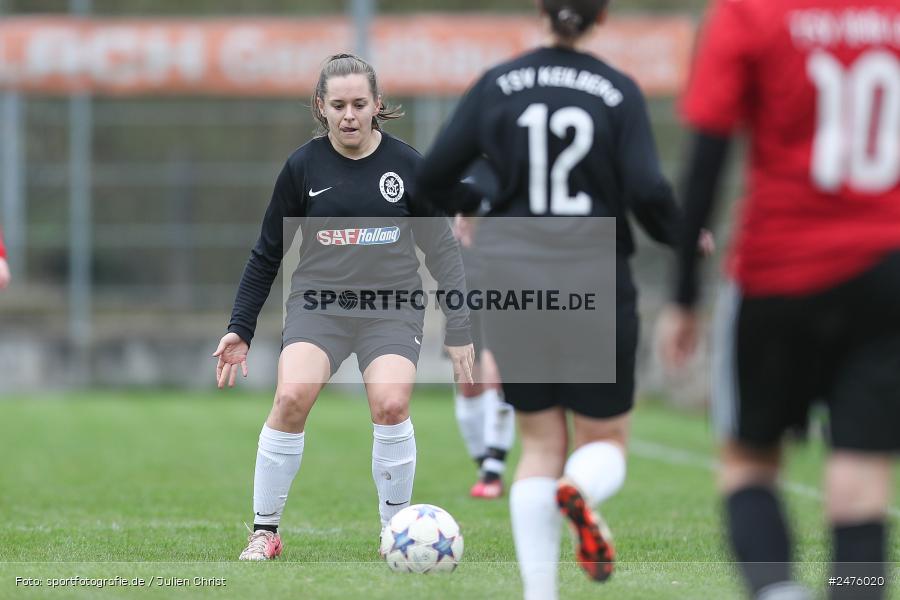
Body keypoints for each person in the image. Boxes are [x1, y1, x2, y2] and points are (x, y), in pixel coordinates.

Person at [417, 1, 693, 597]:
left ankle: (540, 594)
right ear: (603, 16)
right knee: (605, 438)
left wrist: (478, 203)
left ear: (540, 9)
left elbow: (431, 177)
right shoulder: (617, 91)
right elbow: (647, 188)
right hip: (593, 270)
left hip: (513, 274)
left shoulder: (497, 84)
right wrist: (684, 233)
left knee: (540, 442)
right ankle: (581, 489)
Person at [657, 0, 900, 598]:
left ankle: (775, 590)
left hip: (780, 269)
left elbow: (707, 159)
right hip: (886, 270)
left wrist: (684, 294)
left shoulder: (750, 12)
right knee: (861, 478)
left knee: (749, 462)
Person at [214, 53, 475, 562]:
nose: (349, 115)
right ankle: (264, 532)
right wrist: (240, 328)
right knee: (291, 398)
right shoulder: (302, 167)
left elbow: (443, 251)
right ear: (321, 107)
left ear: (377, 104)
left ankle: (394, 533)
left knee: (392, 404)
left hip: (391, 309)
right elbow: (267, 252)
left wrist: (460, 328)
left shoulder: (408, 166)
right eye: (338, 105)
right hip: (319, 307)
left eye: (359, 104)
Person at [452, 212, 515, 500]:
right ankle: (483, 464)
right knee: (468, 386)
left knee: (495, 375)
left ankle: (493, 471)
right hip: (463, 288)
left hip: (502, 284)